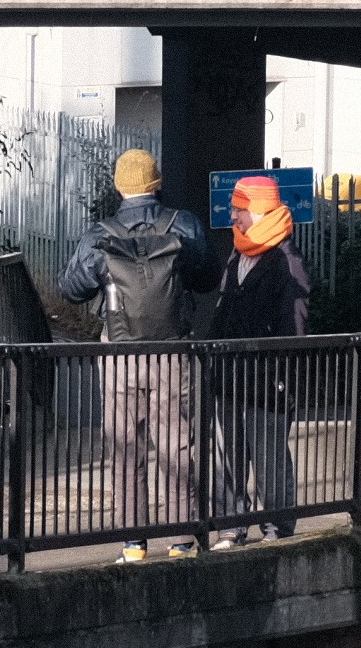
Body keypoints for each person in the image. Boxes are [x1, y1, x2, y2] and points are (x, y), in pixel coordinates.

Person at [57, 149, 216, 562]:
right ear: (157, 183)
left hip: (120, 354)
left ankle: (133, 544)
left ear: (118, 185)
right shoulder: (183, 224)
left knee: (125, 444)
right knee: (176, 442)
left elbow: (71, 288)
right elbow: (206, 278)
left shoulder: (100, 234)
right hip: (172, 353)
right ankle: (181, 540)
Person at [205, 174, 310, 550]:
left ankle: (277, 528)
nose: (233, 215)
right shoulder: (239, 252)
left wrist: (285, 377)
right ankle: (230, 527)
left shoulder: (286, 260)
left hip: (268, 380)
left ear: (260, 210)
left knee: (270, 458)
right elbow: (223, 308)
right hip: (230, 375)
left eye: (240, 208)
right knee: (227, 454)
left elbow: (294, 325)